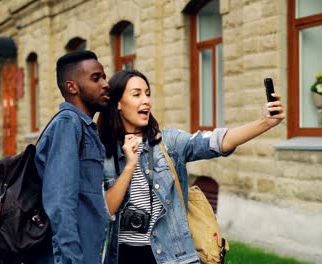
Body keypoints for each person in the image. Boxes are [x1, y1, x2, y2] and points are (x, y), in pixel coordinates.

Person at [97, 69, 285, 264]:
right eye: (137, 94)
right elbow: (106, 210)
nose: (146, 100)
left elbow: (216, 142)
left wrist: (266, 122)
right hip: (123, 257)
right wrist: (129, 166)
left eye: (148, 93)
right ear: (118, 103)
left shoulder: (168, 143)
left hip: (172, 257)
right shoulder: (103, 152)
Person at [34, 50, 111, 264]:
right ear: (72, 87)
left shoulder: (85, 128)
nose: (105, 84)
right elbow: (60, 203)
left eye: (104, 77)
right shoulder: (69, 124)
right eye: (96, 78)